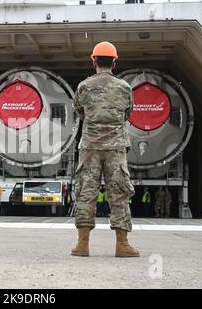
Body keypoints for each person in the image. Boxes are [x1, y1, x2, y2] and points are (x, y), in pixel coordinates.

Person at [72, 41, 140, 258]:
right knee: (119, 194)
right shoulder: (124, 87)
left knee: (86, 193)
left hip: (90, 146)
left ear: (94, 61)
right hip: (116, 147)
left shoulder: (84, 86)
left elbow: (80, 112)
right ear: (114, 61)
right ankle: (122, 245)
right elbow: (127, 114)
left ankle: (82, 245)